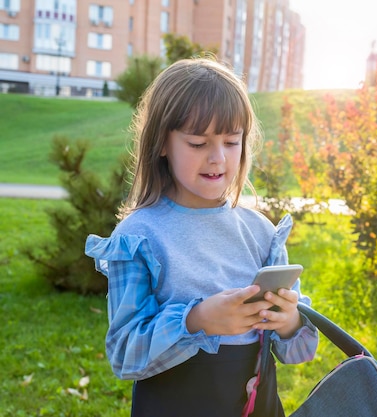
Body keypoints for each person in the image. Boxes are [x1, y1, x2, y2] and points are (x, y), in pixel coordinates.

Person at [84, 57, 318, 417]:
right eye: (197, 143)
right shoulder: (140, 236)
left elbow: (298, 353)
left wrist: (288, 322)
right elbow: (124, 354)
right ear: (162, 143)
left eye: (231, 141)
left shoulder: (261, 234)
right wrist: (197, 320)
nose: (217, 158)